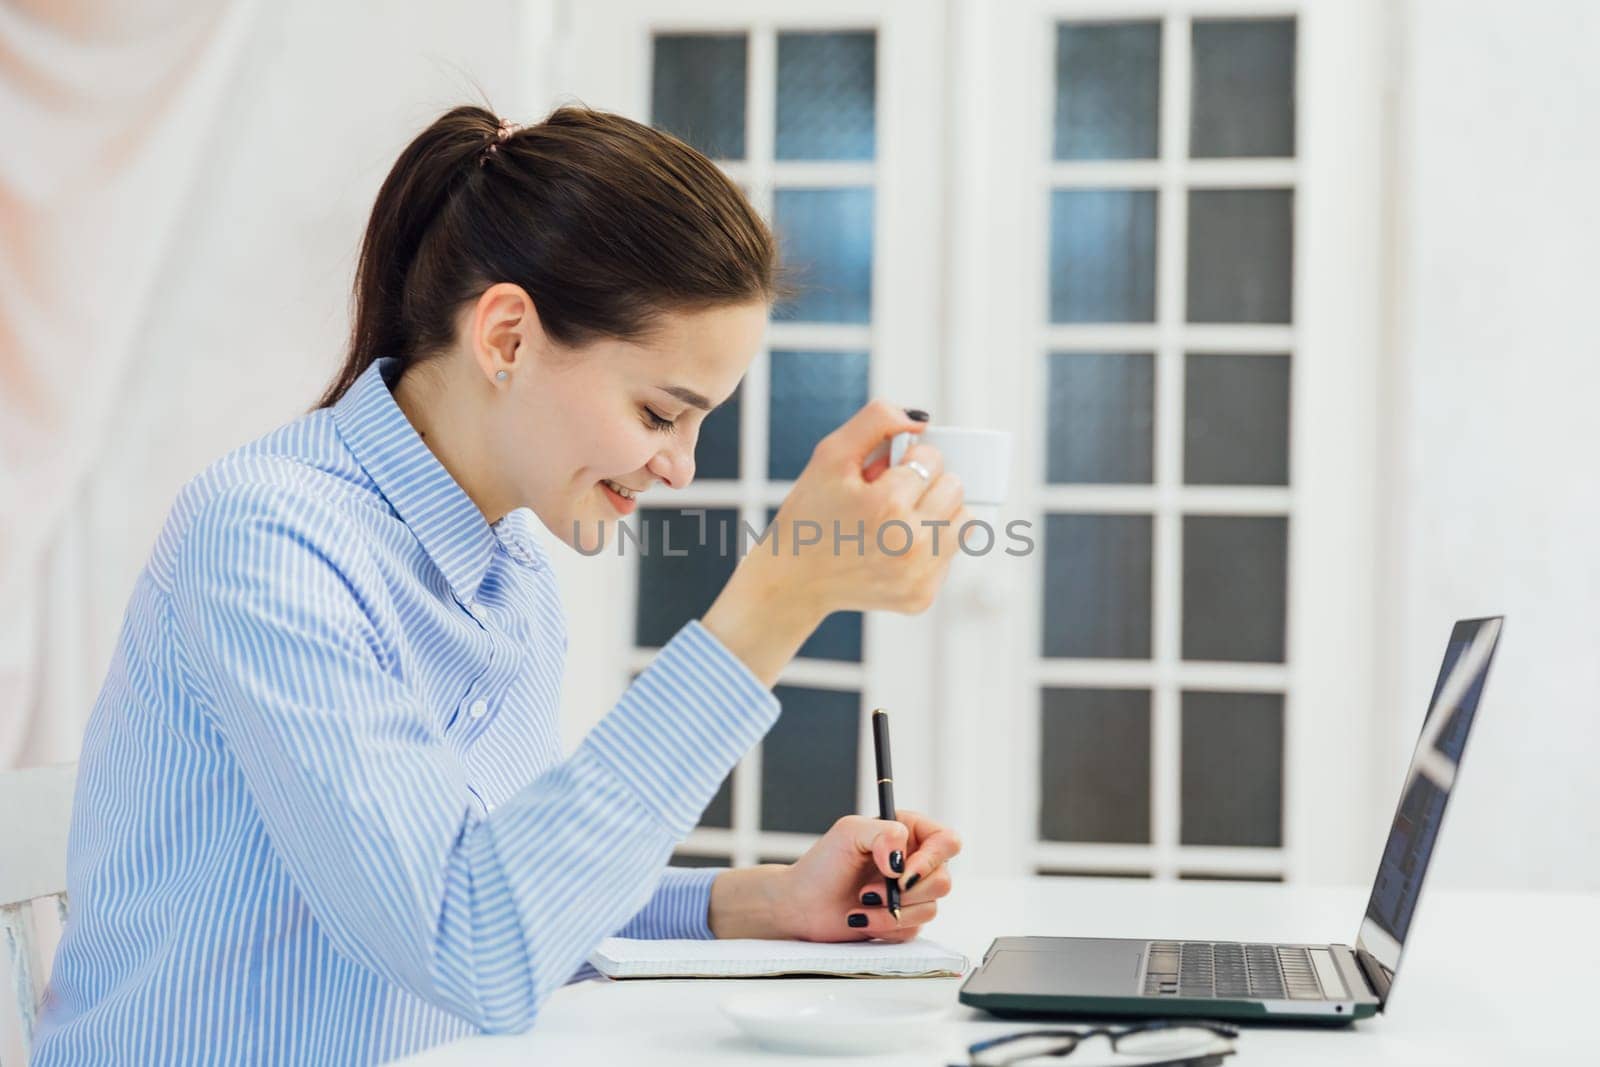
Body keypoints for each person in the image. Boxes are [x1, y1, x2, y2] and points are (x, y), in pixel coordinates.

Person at [34, 105, 967, 1065]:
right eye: (659, 411)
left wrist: (767, 899)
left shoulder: (511, 570)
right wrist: (780, 598)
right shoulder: (270, 539)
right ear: (509, 337)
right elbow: (473, 942)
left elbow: (504, 878)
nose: (680, 467)